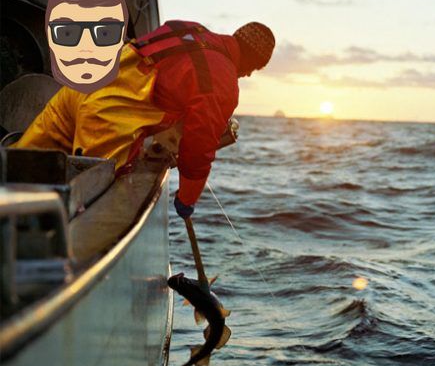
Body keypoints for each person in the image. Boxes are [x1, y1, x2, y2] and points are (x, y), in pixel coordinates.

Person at [13, 19, 276, 218]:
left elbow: (162, 83)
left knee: (16, 171)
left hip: (77, 90)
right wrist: (187, 199)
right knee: (89, 208)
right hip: (106, 119)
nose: (248, 75)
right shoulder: (224, 81)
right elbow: (198, 150)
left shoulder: (190, 29)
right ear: (253, 63)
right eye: (253, 70)